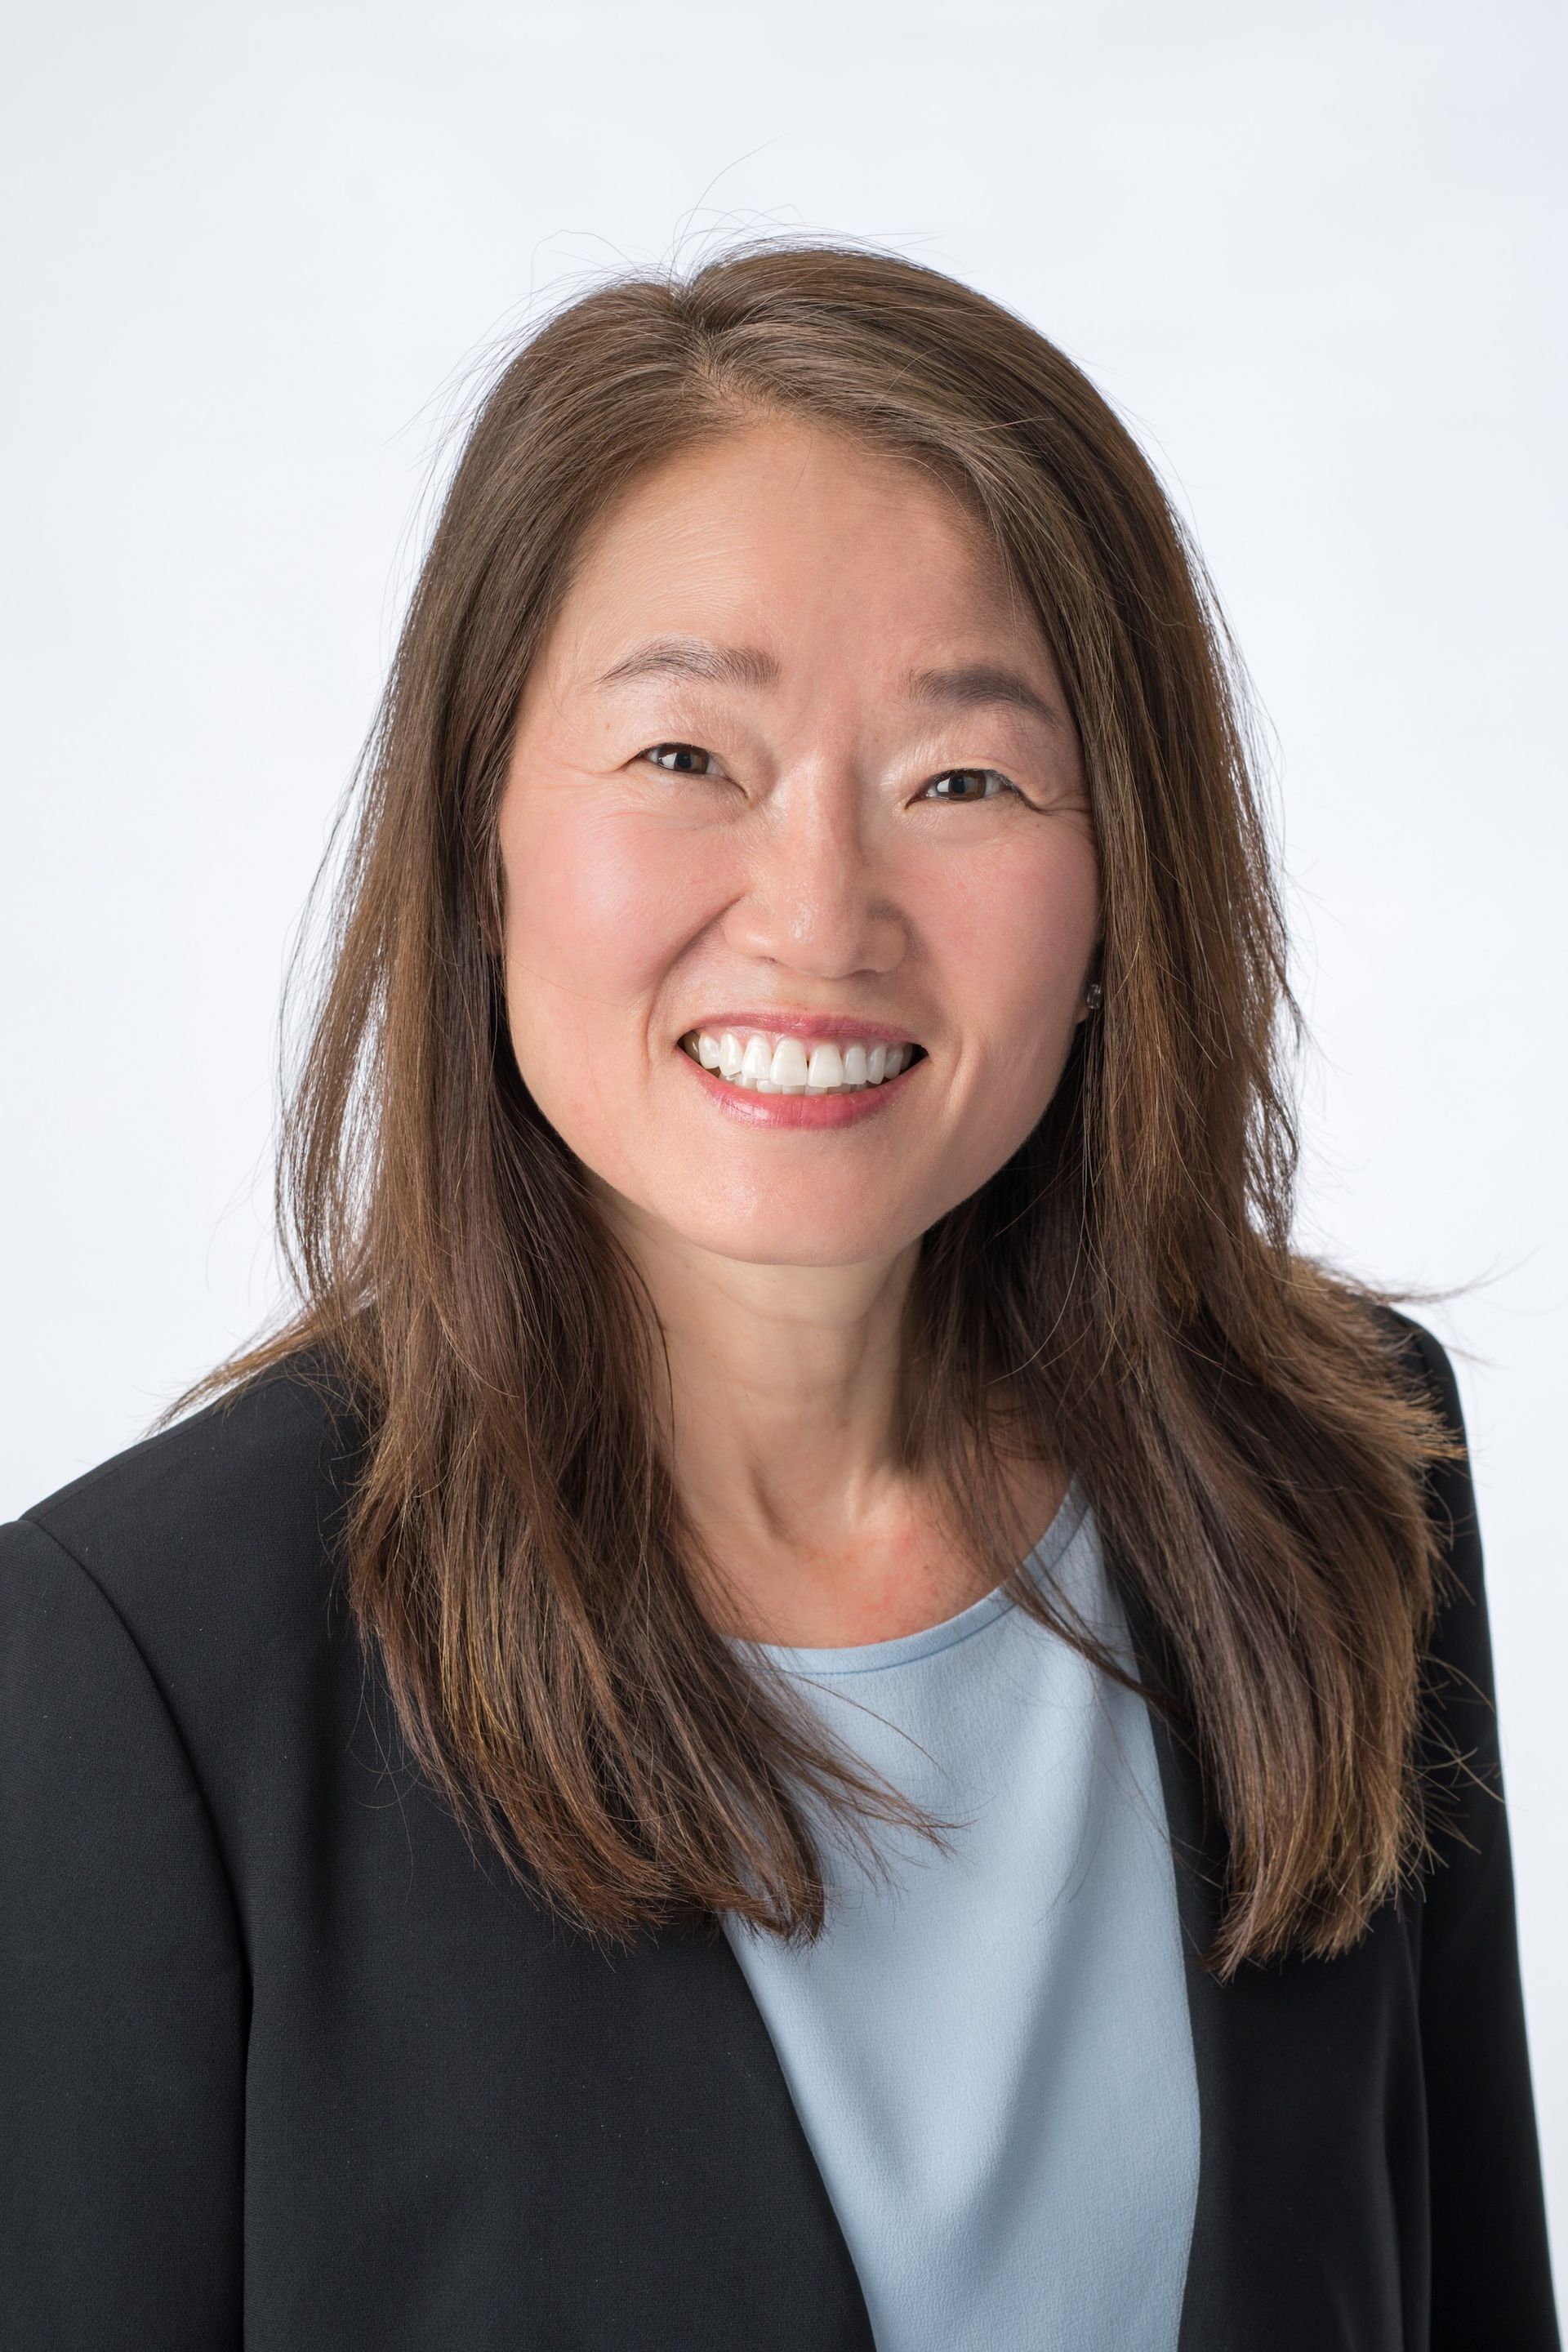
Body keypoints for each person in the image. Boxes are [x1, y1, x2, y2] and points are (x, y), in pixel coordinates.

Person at [0, 243, 1557, 2352]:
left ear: (1122, 890)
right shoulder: (136, 1680)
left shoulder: (1342, 1488)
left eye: (965, 781)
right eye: (684, 759)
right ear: (484, 837)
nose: (820, 913)